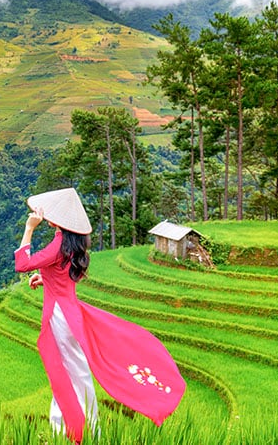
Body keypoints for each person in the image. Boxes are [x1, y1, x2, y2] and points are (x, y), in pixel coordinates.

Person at [14, 188, 185, 443]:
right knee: (76, 372)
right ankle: (82, 429)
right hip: (71, 313)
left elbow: (22, 264)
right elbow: (67, 275)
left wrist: (29, 229)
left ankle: (73, 431)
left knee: (67, 372)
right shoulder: (74, 242)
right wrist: (47, 278)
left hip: (60, 316)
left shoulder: (58, 243)